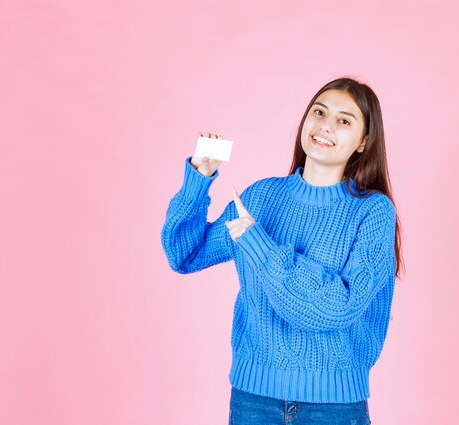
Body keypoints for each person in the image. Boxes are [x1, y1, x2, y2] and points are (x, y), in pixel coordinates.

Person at [161, 77, 403, 424]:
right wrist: (198, 180)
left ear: (363, 142)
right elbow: (185, 254)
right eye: (319, 112)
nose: (325, 125)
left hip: (333, 407)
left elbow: (336, 309)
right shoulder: (261, 197)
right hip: (253, 401)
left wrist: (257, 243)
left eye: (344, 120)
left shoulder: (373, 212)